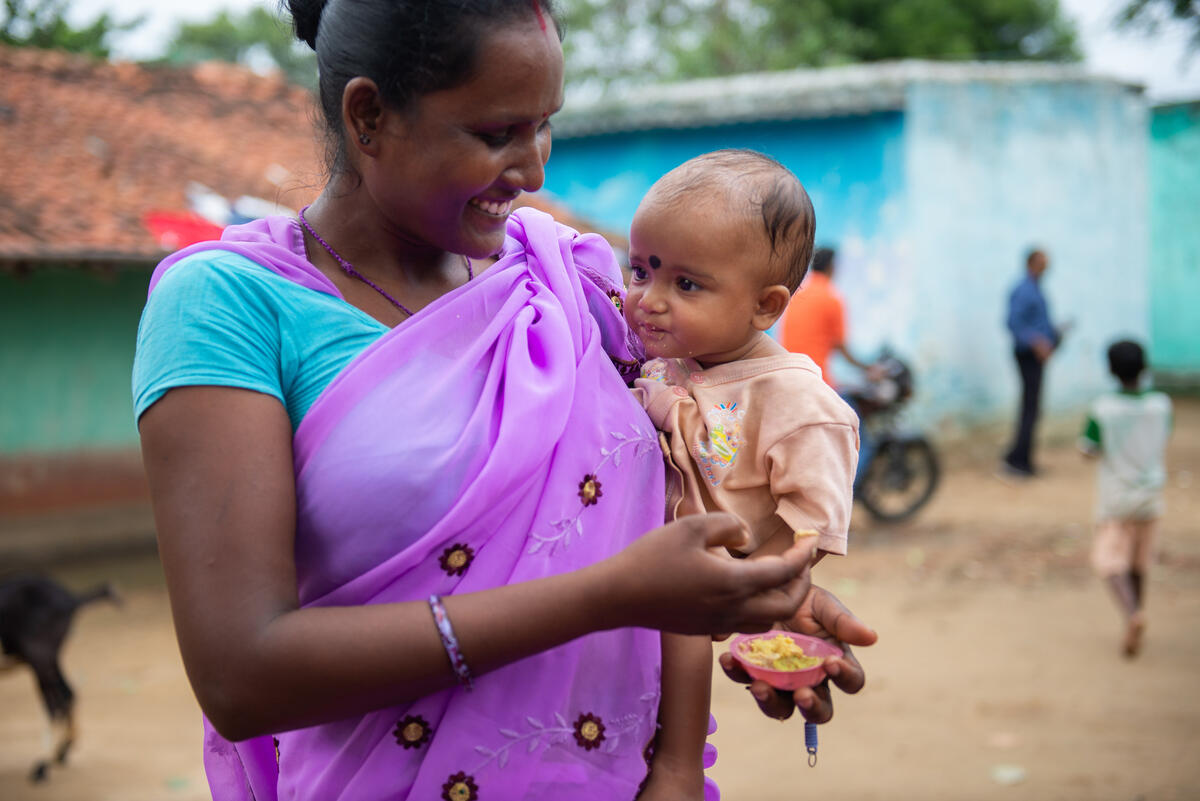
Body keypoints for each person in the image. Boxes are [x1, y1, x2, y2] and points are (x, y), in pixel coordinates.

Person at [131, 3, 875, 800]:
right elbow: (243, 674)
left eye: (545, 126)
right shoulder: (229, 305)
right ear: (369, 114)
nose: (534, 170)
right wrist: (609, 596)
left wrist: (756, 594)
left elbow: (657, 496)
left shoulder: (569, 283)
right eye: (496, 134)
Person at [624, 150, 860, 795]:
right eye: (641, 269)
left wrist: (778, 593)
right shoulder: (678, 359)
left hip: (709, 584)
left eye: (687, 284)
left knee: (682, 658)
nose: (649, 299)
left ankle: (678, 769)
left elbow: (813, 516)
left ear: (765, 306)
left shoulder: (798, 405)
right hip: (637, 579)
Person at [1079, 340, 1172, 658]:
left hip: (1117, 500)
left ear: (1110, 370)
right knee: (1139, 563)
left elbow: (1088, 448)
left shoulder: (1103, 409)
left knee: (1110, 562)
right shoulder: (1161, 405)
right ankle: (1136, 613)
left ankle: (1131, 613)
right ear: (1144, 367)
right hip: (1151, 496)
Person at [780, 245, 880, 489]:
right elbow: (841, 347)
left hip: (789, 379)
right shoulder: (831, 297)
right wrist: (869, 369)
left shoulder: (797, 294)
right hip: (818, 383)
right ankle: (844, 497)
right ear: (834, 267)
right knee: (861, 441)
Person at [1002, 248, 1067, 478]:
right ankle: (1018, 461)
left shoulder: (1036, 289)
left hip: (1036, 356)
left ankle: (1021, 457)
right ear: (1031, 263)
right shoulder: (1023, 289)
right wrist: (1037, 343)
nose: (1047, 266)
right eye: (1042, 262)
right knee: (1030, 408)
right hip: (1028, 356)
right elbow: (1013, 323)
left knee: (1032, 408)